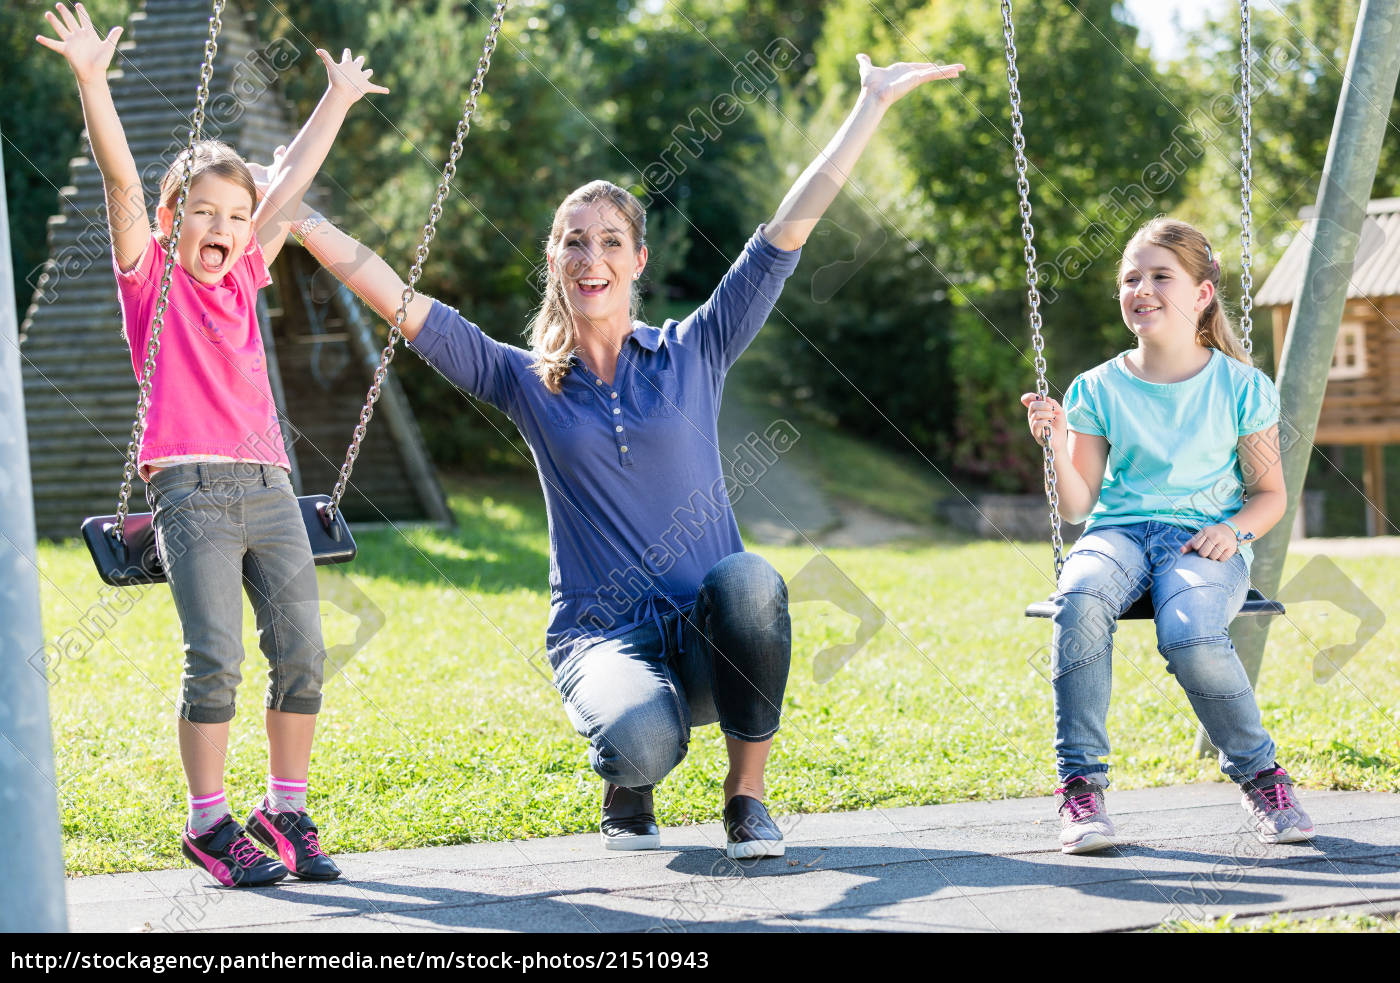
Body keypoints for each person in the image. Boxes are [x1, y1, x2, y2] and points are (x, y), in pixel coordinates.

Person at [280, 53, 963, 859]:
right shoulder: (523, 378)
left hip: (705, 634)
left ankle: (746, 797)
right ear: (554, 262)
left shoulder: (695, 347)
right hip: (601, 636)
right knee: (643, 737)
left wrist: (870, 105)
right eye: (573, 242)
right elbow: (398, 298)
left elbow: (788, 228)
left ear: (638, 261)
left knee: (751, 579)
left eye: (609, 241)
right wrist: (298, 216)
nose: (590, 257)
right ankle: (629, 773)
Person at [40, 2, 388, 885]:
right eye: (203, 211)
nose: (224, 227)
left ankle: (287, 807)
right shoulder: (151, 281)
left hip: (272, 485)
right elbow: (120, 182)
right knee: (216, 659)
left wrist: (338, 101)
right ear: (171, 220)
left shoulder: (244, 278)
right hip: (188, 490)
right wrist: (92, 79)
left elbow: (293, 183)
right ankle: (207, 821)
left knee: (303, 651)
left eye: (236, 214)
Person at [1020, 217, 1315, 855]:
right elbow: (1078, 506)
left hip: (1201, 539)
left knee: (1189, 632)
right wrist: (1056, 442)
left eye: (1161, 276)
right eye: (1131, 278)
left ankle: (1261, 776)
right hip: (1118, 531)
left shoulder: (1241, 386)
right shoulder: (1096, 388)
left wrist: (1233, 532)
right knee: (1080, 597)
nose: (1142, 289)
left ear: (1203, 294)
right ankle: (1081, 790)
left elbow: (1270, 497)